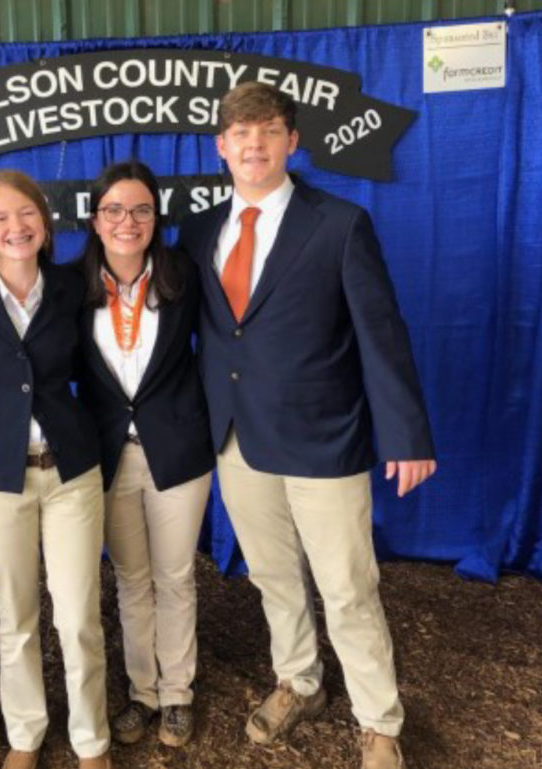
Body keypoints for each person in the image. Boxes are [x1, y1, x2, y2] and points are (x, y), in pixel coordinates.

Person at [177, 81, 436, 769]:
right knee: (272, 575)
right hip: (238, 438)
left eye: (268, 131)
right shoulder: (200, 231)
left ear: (292, 141)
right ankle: (300, 680)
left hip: (325, 438)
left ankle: (379, 722)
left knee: (348, 586)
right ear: (221, 147)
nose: (254, 144)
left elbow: (381, 334)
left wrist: (406, 434)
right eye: (241, 133)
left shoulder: (340, 224)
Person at [0, 170, 112, 769]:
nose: (15, 227)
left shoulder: (71, 286)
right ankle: (26, 734)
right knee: (15, 617)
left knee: (78, 615)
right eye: (0, 218)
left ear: (44, 222)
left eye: (26, 214)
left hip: (70, 475)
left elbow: (97, 372)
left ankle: (91, 740)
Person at [73, 161, 214, 748]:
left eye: (140, 210)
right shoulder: (70, 285)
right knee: (130, 578)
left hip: (177, 449)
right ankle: (142, 692)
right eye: (114, 210)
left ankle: (177, 693)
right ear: (95, 219)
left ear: (156, 217)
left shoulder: (184, 275)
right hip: (109, 454)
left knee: (175, 576)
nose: (127, 222)